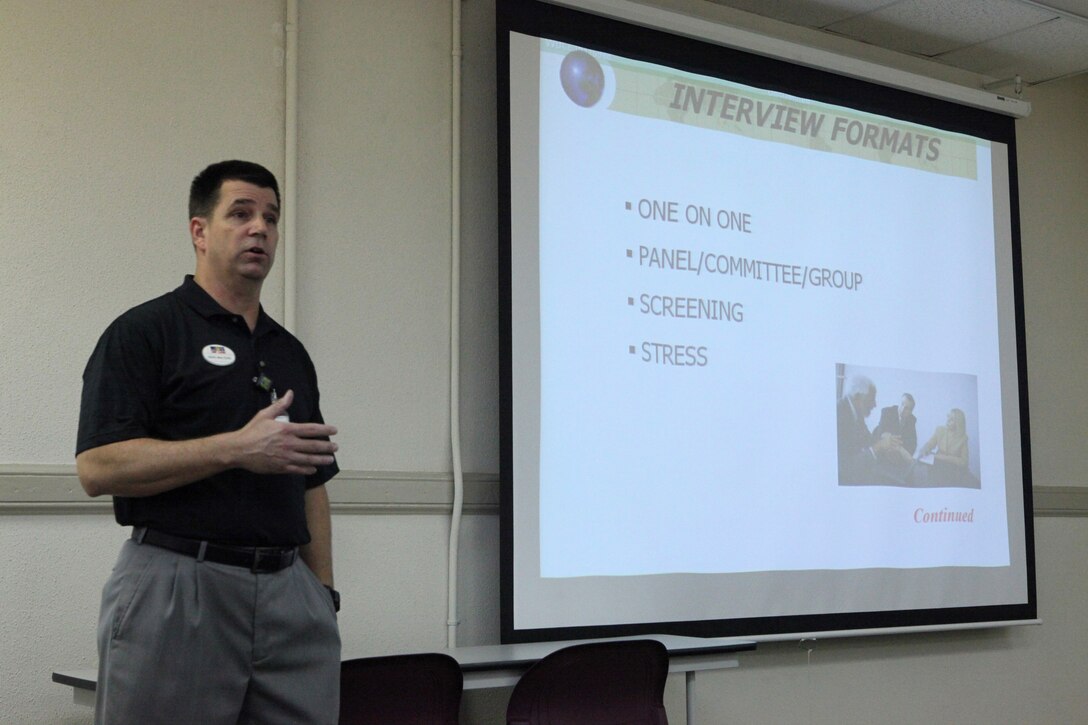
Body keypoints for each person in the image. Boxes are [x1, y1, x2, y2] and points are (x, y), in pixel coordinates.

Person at [76, 160, 342, 725]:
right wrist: (235, 449)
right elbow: (97, 468)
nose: (260, 229)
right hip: (178, 586)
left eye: (270, 218)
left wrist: (323, 593)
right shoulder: (145, 332)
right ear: (199, 231)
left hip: (288, 598)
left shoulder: (289, 350)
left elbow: (313, 481)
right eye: (241, 214)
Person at [836, 375, 898, 484]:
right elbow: (845, 467)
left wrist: (884, 443)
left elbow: (868, 440)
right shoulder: (838, 414)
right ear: (858, 397)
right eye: (872, 398)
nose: (875, 404)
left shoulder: (856, 415)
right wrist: (879, 446)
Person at [918, 407, 970, 484]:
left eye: (952, 419)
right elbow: (930, 443)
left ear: (958, 423)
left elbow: (964, 462)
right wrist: (925, 448)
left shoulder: (963, 438)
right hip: (938, 464)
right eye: (948, 416)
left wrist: (940, 457)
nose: (948, 420)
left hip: (953, 469)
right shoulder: (940, 430)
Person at [872, 392, 918, 458]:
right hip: (882, 453)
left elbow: (913, 444)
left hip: (897, 456)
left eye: (906, 408)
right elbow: (880, 433)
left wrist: (901, 450)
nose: (902, 409)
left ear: (910, 412)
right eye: (902, 404)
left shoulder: (911, 420)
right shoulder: (887, 412)